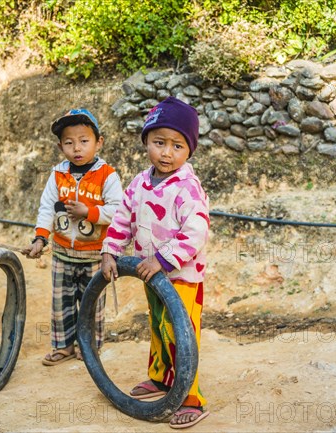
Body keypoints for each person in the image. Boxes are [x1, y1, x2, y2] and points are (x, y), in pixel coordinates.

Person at [100, 97, 210, 429]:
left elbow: (196, 232)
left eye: (177, 145)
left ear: (189, 150)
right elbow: (122, 220)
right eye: (159, 142)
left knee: (182, 333)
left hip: (182, 277)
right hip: (151, 274)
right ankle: (161, 378)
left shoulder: (188, 188)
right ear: (146, 141)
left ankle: (191, 398)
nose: (166, 152)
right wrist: (110, 250)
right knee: (159, 327)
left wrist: (163, 258)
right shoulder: (139, 183)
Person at [21, 108, 123, 366]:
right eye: (69, 142)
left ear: (99, 142)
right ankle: (64, 346)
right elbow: (46, 208)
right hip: (63, 254)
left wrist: (88, 212)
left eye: (84, 141)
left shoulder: (107, 175)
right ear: (60, 146)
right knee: (61, 303)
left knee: (92, 305)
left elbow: (117, 211)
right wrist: (40, 238)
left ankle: (88, 346)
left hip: (94, 255)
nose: (77, 148)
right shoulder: (57, 175)